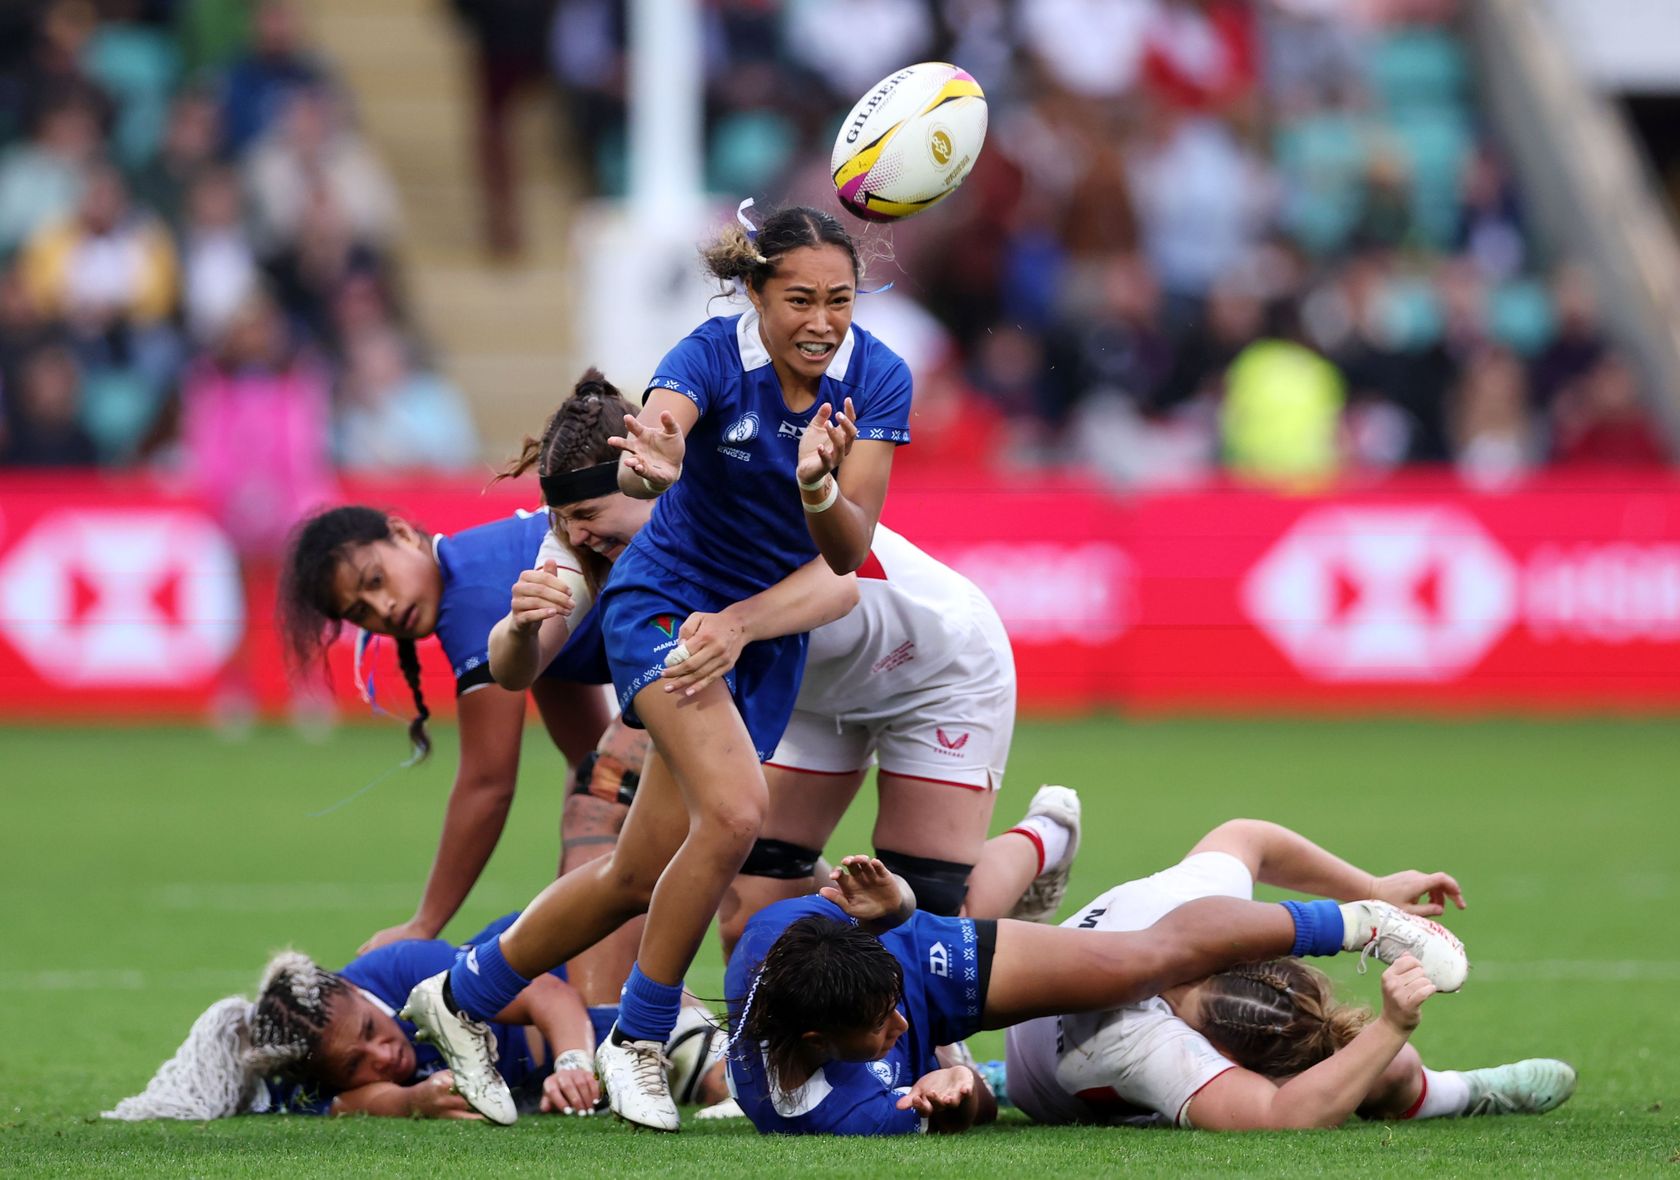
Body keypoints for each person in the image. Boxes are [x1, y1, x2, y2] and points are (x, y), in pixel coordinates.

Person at [402, 204, 913, 1131]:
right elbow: (660, 435)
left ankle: (463, 996)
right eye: (799, 298)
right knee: (737, 812)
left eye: (840, 299)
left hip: (754, 644)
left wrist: (816, 485)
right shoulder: (710, 355)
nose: (822, 321)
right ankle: (640, 1037)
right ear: (755, 293)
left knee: (637, 875)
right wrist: (653, 457)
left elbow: (844, 557)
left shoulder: (878, 377)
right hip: (663, 608)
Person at [489, 371, 1064, 959]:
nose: (576, 535)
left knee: (924, 936)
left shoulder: (730, 479)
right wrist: (518, 627)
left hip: (933, 670)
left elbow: (843, 586)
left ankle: (1046, 837)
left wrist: (735, 626)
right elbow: (515, 670)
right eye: (564, 520)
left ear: (645, 477)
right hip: (803, 695)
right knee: (752, 926)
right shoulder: (583, 537)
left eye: (587, 512)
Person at [722, 842, 1470, 1135]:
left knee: (1139, 959)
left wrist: (900, 913)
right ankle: (1044, 837)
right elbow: (978, 1106)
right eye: (879, 1024)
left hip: (922, 960)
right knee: (994, 916)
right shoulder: (843, 1117)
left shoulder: (775, 936)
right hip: (991, 1047)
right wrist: (956, 1088)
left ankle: (1359, 925)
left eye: (892, 1009)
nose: (894, 1023)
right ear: (817, 1043)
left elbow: (873, 922)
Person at [277, 490, 634, 1042]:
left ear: (401, 532)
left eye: (375, 581)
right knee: (617, 806)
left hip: (725, 630)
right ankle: (613, 1027)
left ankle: (608, 1037)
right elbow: (590, 753)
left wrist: (424, 926)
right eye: (362, 613)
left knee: (606, 814)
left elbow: (487, 785)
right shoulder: (487, 568)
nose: (384, 610)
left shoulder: (471, 597)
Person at [1005, 819, 1575, 1131]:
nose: (1168, 990)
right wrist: (1391, 1026)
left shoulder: (1199, 903)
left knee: (1378, 1065)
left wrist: (1372, 892)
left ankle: (1458, 1090)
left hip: (1027, 996)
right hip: (1045, 1085)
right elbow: (1285, 1115)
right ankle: (1458, 1093)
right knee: (1385, 1064)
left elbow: (1249, 836)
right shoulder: (1143, 1041)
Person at [104, 913, 728, 1122]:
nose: (385, 1056)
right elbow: (356, 1103)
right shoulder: (305, 1080)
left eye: (374, 1033)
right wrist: (414, 1102)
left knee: (681, 1054)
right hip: (530, 1074)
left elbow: (546, 998)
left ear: (353, 991)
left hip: (566, 994)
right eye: (355, 1064)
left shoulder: (403, 970)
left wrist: (569, 1062)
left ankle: (705, 1034)